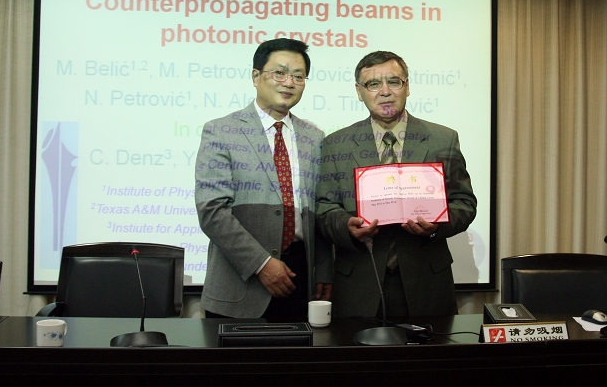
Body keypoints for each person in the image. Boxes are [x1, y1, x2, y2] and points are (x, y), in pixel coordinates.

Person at [316, 50, 476, 318]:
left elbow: (465, 203)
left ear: (407, 87)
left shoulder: (442, 139)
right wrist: (345, 226)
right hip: (359, 282)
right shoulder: (336, 144)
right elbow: (324, 207)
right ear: (359, 92)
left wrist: (437, 225)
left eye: (394, 82)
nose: (385, 91)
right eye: (373, 84)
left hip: (427, 282)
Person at [195, 38, 332, 321]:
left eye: (298, 76)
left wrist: (323, 269)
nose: (289, 82)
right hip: (239, 280)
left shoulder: (314, 138)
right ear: (256, 76)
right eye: (279, 73)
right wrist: (261, 263)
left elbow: (319, 210)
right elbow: (212, 210)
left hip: (300, 277)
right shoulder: (221, 131)